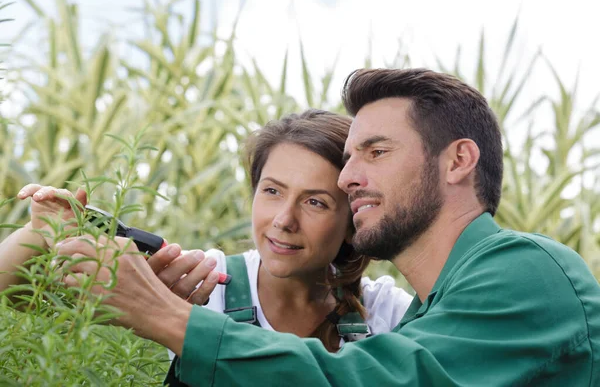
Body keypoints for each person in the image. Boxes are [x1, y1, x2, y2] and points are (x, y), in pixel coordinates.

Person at [54, 68, 600, 386]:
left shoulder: (526, 270)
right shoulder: (424, 317)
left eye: (376, 152)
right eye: (348, 158)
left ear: (458, 161)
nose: (350, 178)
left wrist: (163, 315)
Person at [0, 111, 412, 354]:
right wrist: (40, 233)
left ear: (350, 219)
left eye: (315, 202)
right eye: (271, 191)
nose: (283, 220)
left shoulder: (388, 314)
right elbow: (18, 295)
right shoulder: (200, 281)